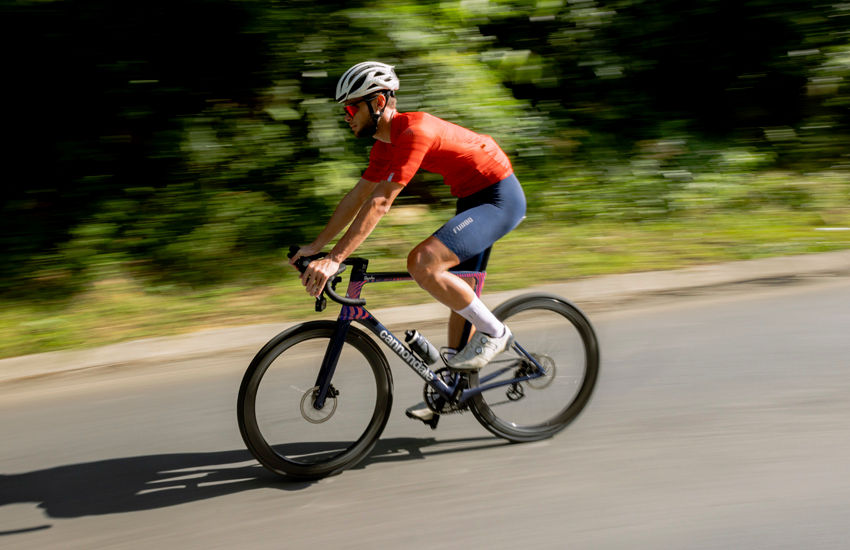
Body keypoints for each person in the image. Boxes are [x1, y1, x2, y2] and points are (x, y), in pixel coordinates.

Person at [290, 61, 526, 422]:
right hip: (472, 198)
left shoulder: (415, 130)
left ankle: (496, 333)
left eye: (352, 108)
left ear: (379, 102)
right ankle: (452, 389)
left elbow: (381, 203)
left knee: (423, 262)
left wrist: (336, 259)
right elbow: (358, 196)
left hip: (499, 198)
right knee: (461, 290)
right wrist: (317, 246)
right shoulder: (386, 143)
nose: (347, 116)